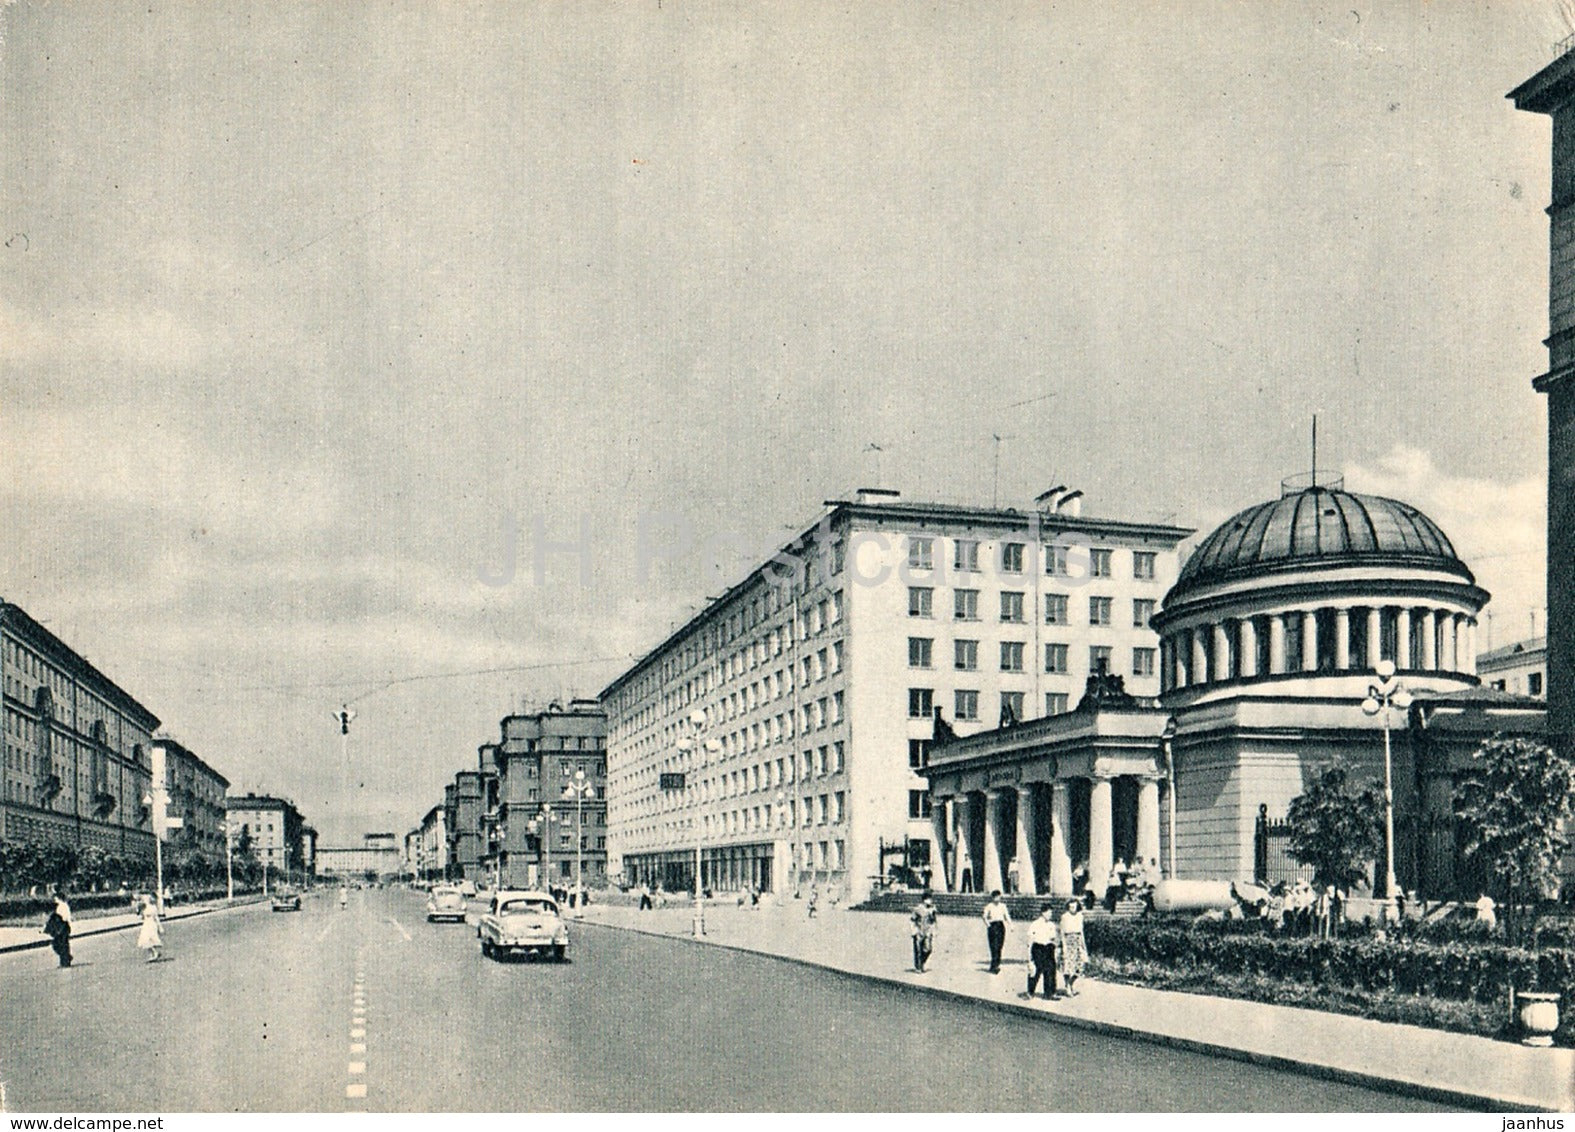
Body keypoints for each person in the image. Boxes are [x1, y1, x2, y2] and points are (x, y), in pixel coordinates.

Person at [1021, 903, 1059, 1000]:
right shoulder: (1035, 924)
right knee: (1036, 970)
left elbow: (1053, 938)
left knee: (1050, 970)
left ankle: (1049, 993)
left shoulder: (1051, 925)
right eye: (1049, 912)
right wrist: (1029, 955)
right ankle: (1030, 992)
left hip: (1049, 948)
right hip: (1038, 948)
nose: (1050, 914)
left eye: (1051, 912)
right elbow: (1030, 939)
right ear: (1043, 912)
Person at [1058, 898, 1087, 996]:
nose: (1072, 909)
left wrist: (1084, 946)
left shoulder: (1080, 916)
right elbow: (1062, 932)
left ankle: (1070, 984)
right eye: (1070, 907)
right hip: (1068, 941)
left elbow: (1081, 932)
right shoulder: (1065, 917)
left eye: (1074, 907)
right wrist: (1064, 945)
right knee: (1067, 966)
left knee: (1080, 967)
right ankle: (1067, 986)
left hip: (1077, 942)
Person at [982, 890, 1011, 974]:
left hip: (1001, 926)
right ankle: (994, 966)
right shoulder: (989, 906)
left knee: (999, 946)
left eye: (999, 897)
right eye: (996, 897)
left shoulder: (1003, 906)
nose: (998, 898)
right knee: (993, 946)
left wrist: (1011, 925)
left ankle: (996, 964)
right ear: (993, 898)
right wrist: (988, 925)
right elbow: (984, 917)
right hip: (993, 926)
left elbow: (1007, 916)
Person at [44, 890, 72, 968]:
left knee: (61, 944)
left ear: (59, 898)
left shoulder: (63, 906)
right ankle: (66, 959)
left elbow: (65, 918)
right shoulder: (60, 906)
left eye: (55, 898)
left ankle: (65, 961)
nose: (55, 900)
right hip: (63, 927)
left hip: (63, 927)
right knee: (61, 944)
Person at [910, 893, 938, 973]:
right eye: (928, 899)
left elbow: (934, 921)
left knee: (928, 949)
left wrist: (934, 930)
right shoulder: (918, 909)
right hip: (919, 931)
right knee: (918, 950)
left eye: (930, 899)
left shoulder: (932, 909)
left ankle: (922, 962)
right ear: (924, 900)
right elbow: (912, 920)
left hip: (928, 931)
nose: (930, 901)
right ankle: (918, 967)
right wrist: (913, 931)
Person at [137, 894, 163, 963]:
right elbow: (141, 917)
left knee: (150, 939)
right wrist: (139, 911)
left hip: (152, 924)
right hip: (146, 924)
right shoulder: (143, 908)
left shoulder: (153, 907)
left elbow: (156, 917)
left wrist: (160, 927)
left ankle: (155, 953)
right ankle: (153, 954)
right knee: (145, 939)